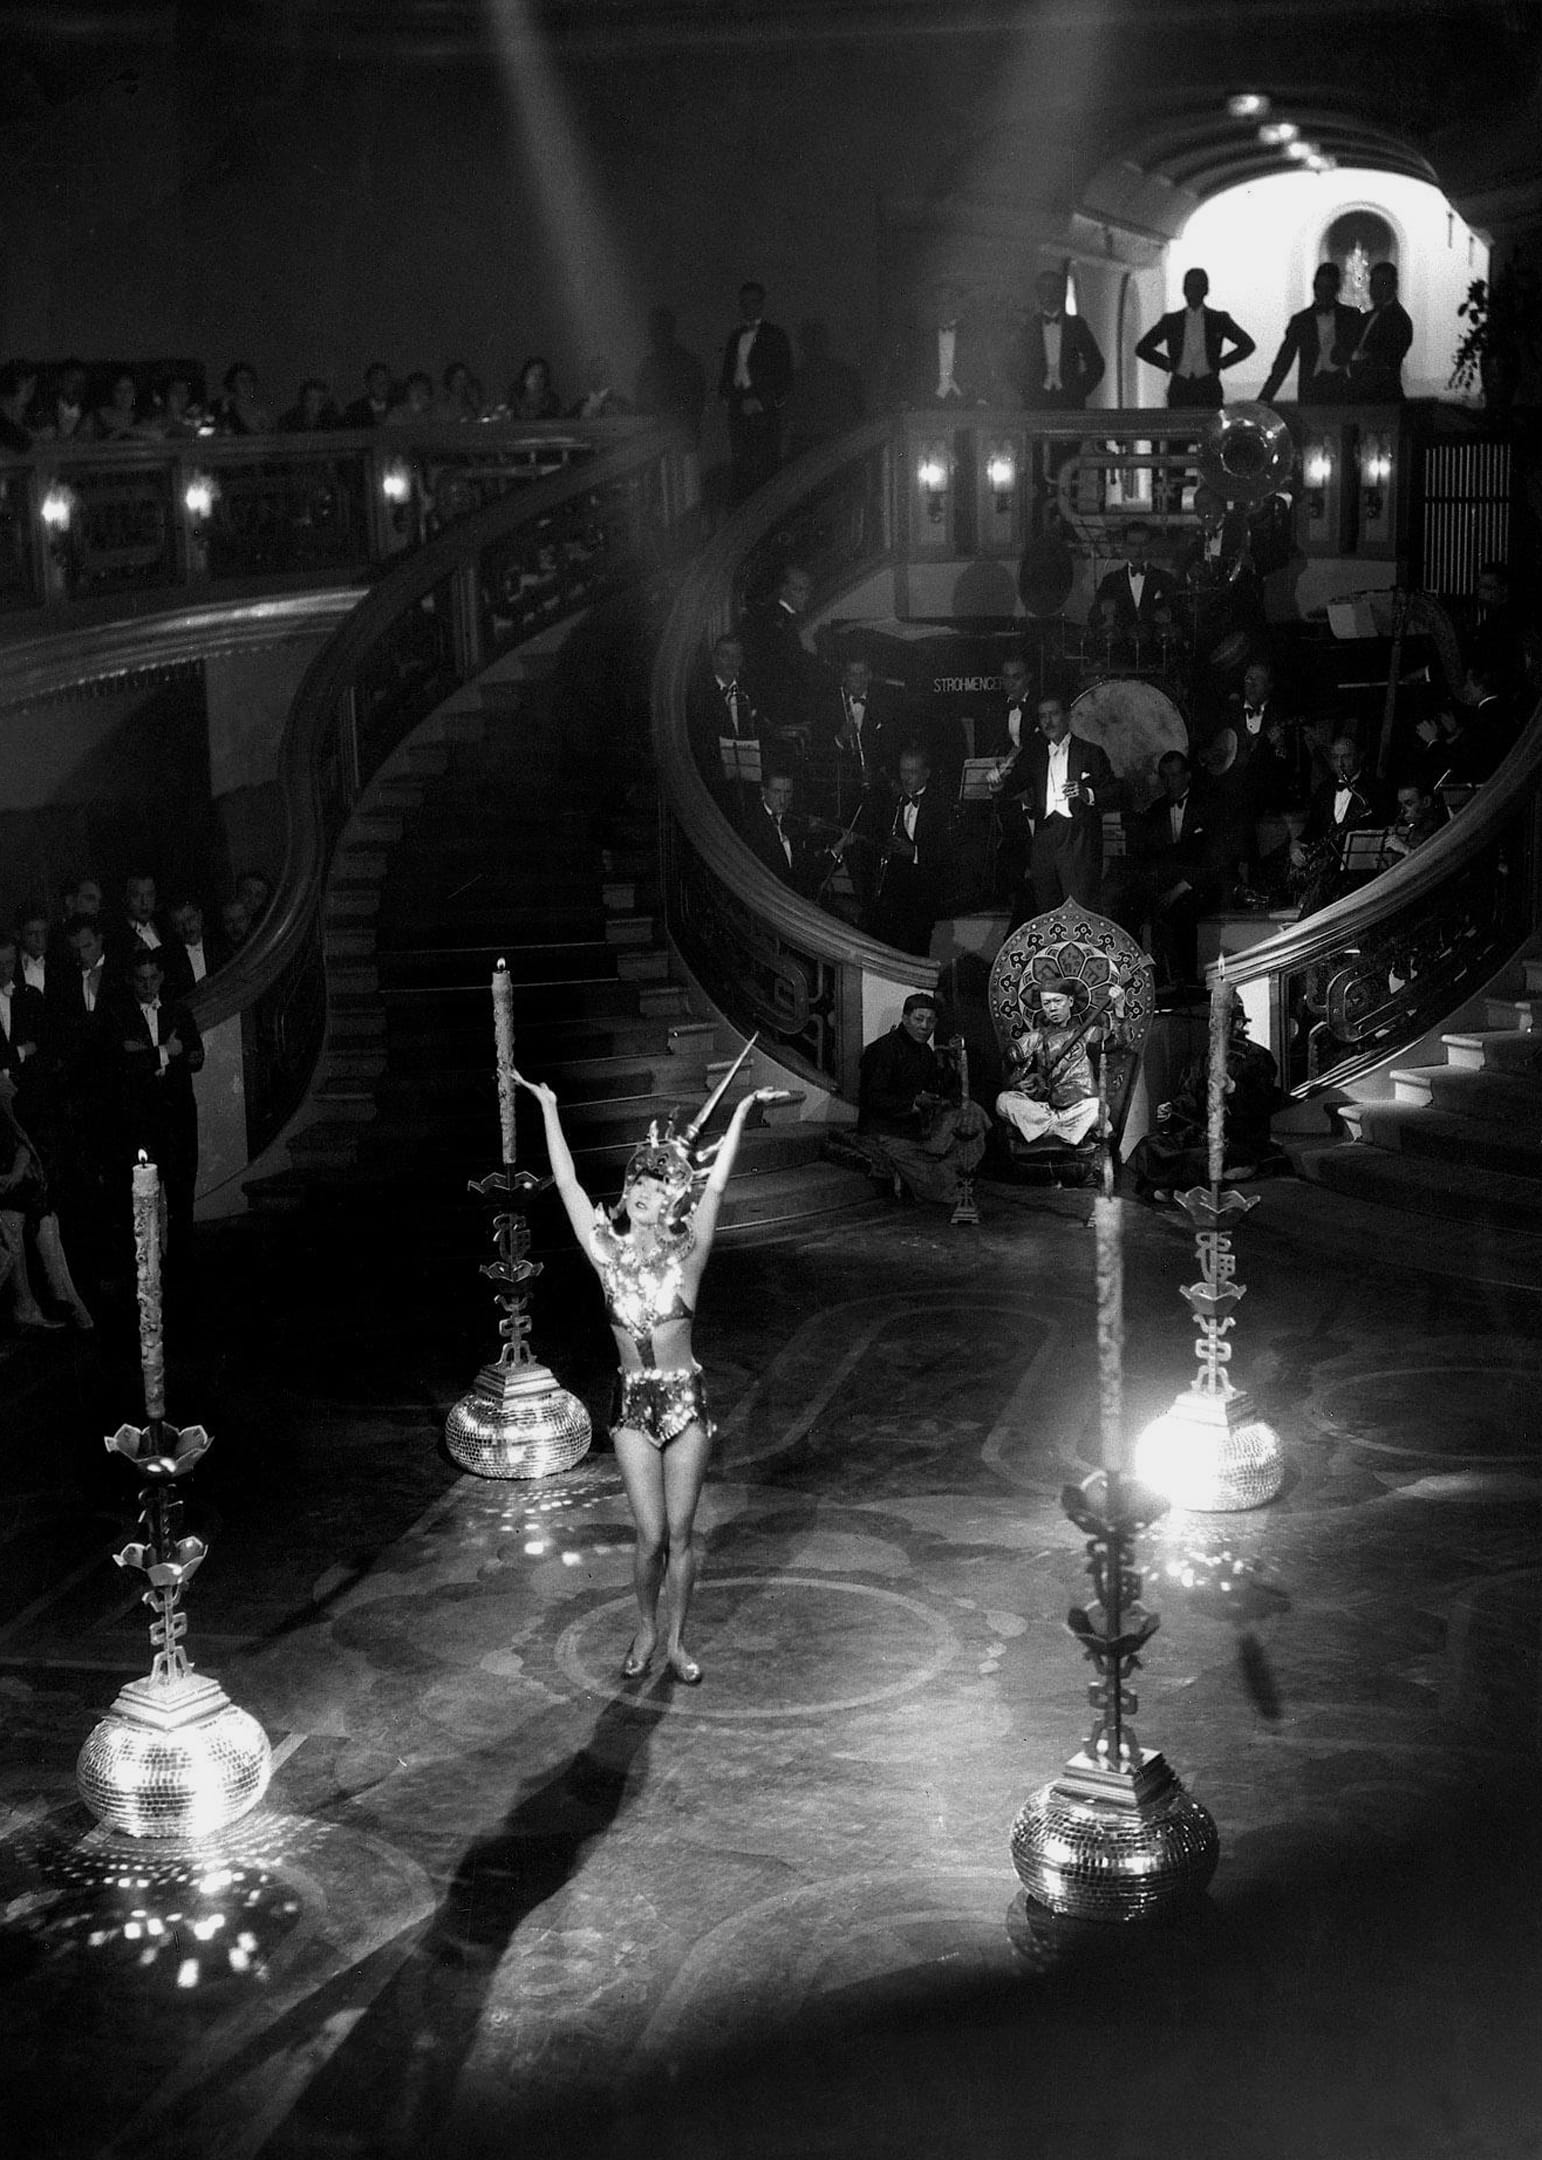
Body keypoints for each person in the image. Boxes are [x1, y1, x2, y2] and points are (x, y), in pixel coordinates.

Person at [517, 1065, 784, 1684]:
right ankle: (645, 1627)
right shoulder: (605, 1254)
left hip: (685, 1402)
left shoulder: (689, 1258)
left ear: (673, 1202)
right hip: (632, 1405)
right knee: (650, 1535)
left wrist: (742, 1113)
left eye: (660, 1185)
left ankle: (679, 1642)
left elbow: (718, 1186)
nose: (646, 1188)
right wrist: (550, 1108)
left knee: (682, 1534)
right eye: (639, 1179)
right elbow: (567, 1183)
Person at [1130, 999, 1284, 1200]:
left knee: (1202, 1159)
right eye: (1212, 1019)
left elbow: (1262, 1104)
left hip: (1240, 1139)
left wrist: (1233, 1089)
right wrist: (1172, 1108)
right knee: (1149, 1144)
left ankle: (1172, 1189)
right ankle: (1171, 1188)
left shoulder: (1258, 1057)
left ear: (1238, 1023)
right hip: (1202, 1133)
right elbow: (1191, 1096)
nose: (1214, 1025)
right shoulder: (1206, 1057)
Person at [846, 992, 990, 1207]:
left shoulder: (924, 1051)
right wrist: (913, 1102)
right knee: (943, 1189)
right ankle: (933, 1179)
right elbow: (871, 1098)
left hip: (917, 1126)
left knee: (973, 1113)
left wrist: (954, 1062)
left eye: (930, 1021)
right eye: (919, 1019)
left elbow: (939, 1089)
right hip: (886, 1131)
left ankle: (947, 1173)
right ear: (905, 1019)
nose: (925, 1026)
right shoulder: (883, 1050)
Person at [1002, 690, 1117, 916]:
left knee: (1081, 910)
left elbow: (1115, 791)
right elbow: (1013, 785)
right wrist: (997, 785)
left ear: (1067, 716)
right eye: (1043, 716)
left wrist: (1087, 793)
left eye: (1053, 714)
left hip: (1078, 838)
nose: (1048, 722)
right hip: (1044, 838)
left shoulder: (1090, 752)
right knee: (1047, 909)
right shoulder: (1034, 756)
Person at [0, 1067, 94, 1332]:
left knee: (37, 1209)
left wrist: (18, 1169)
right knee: (16, 1214)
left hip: (13, 1177)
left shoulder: (7, 1088)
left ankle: (54, 1297)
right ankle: (46, 1300)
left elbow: (22, 1135)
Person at [118, 953, 204, 1245]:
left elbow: (196, 1057)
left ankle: (181, 1261)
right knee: (142, 1200)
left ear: (162, 977)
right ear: (131, 980)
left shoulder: (178, 1011)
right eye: (141, 980)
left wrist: (145, 1054)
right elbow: (123, 1065)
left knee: (182, 1199)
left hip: (178, 1119)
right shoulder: (120, 1015)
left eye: (153, 978)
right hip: (141, 1120)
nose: (148, 986)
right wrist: (165, 1052)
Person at [1127, 751, 1226, 990]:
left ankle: (1187, 981)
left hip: (1200, 884)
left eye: (1174, 775)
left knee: (1182, 909)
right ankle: (1148, 979)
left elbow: (1214, 858)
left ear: (1188, 775)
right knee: (1136, 903)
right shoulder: (1156, 810)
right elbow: (1149, 855)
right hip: (1166, 883)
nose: (1169, 781)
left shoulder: (1208, 806)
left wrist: (1179, 889)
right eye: (1165, 776)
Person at [995, 976, 1128, 1150]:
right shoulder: (1036, 1037)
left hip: (1080, 1108)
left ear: (1070, 1001)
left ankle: (1044, 1134)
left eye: (1057, 1001)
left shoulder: (1090, 1033)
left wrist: (1119, 1007)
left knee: (1098, 1108)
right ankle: (1063, 1133)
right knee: (1004, 1100)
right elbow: (1010, 1057)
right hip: (1048, 1110)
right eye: (1046, 1003)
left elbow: (1120, 1041)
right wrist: (1019, 1084)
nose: (1052, 1008)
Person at [861, 745, 951, 956]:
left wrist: (914, 852)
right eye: (903, 771)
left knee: (916, 951)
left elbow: (945, 852)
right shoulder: (893, 801)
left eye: (912, 772)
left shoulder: (940, 805)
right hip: (894, 894)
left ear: (926, 773)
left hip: (922, 896)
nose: (906, 777)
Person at [1135, 267, 1255, 410]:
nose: (1193, 292)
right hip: (1180, 389)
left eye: (1197, 287)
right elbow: (1142, 348)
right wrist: (1167, 363)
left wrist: (1222, 362)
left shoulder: (1219, 319)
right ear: (1184, 290)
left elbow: (1247, 345)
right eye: (1190, 287)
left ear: (1206, 290)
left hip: (1208, 389)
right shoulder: (1171, 321)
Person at [719, 281, 793, 502]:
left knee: (766, 470)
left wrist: (762, 403)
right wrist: (732, 401)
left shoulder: (775, 335)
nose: (748, 307)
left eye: (753, 302)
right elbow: (728, 375)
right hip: (739, 415)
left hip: (764, 415)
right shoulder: (735, 337)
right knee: (742, 470)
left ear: (761, 304)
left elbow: (784, 377)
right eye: (744, 303)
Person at [1258, 263, 1363, 406]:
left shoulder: (1351, 316)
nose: (1323, 293)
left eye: (1328, 288)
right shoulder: (1301, 320)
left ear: (1337, 288)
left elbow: (1360, 354)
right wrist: (1265, 397)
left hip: (1345, 388)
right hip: (1311, 391)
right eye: (1320, 288)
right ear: (1314, 287)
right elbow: (1284, 360)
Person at [885, 279, 993, 409]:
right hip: (929, 403)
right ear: (934, 307)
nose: (943, 307)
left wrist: (982, 399)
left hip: (966, 403)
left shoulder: (972, 338)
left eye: (948, 302)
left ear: (956, 305)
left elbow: (983, 371)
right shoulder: (921, 339)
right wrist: (907, 400)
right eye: (939, 303)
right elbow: (910, 372)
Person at [735, 769, 841, 899]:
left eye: (787, 792)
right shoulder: (751, 825)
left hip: (798, 896)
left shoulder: (792, 822)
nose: (782, 799)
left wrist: (835, 851)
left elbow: (807, 872)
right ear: (763, 791)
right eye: (776, 792)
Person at [1017, 269, 1105, 410]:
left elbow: (1096, 364)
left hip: (1071, 403)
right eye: (1044, 289)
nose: (1049, 294)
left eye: (1053, 288)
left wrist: (1079, 391)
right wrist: (1028, 392)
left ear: (1060, 292)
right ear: (1038, 294)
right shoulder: (1029, 327)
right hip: (1036, 403)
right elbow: (1014, 365)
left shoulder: (1076, 325)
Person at [1089, 521, 1180, 646]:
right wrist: (1102, 609)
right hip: (1121, 649)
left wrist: (1169, 614)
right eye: (1133, 545)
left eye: (1143, 544)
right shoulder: (1111, 580)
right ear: (1125, 547)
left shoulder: (1165, 579)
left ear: (1150, 546)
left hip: (1155, 648)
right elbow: (1092, 617)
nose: (1138, 550)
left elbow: (1179, 612)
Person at [633, 308, 708, 444]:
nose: (653, 335)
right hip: (655, 437)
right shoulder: (648, 365)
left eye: (659, 329)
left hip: (681, 437)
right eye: (652, 330)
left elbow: (695, 404)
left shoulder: (687, 363)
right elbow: (640, 400)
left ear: (669, 330)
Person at [1344, 262, 1414, 403]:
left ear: (1394, 286)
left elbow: (1387, 360)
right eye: (1374, 283)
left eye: (1383, 283)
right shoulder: (1366, 317)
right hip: (1362, 397)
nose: (1376, 289)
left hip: (1383, 398)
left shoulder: (1399, 320)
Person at [0, 360, 38, 452]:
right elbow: (21, 444)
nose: (32, 392)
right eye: (29, 386)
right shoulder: (5, 426)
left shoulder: (30, 413)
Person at [343, 363, 395, 428]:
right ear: (368, 384)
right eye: (376, 381)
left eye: (385, 381)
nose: (381, 385)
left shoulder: (398, 407)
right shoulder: (354, 411)